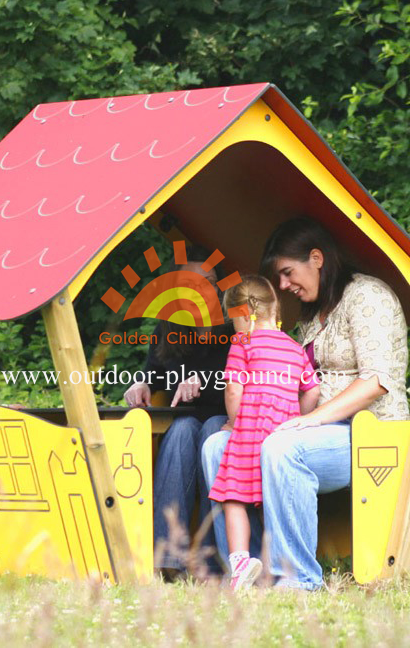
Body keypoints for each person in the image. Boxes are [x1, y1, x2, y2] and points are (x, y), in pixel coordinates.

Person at [202, 217, 409, 590]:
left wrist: (310, 419)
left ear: (316, 258)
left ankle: (296, 579)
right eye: (278, 279)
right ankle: (245, 572)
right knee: (218, 445)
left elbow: (377, 381)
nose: (282, 286)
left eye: (286, 272)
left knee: (282, 447)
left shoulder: (368, 297)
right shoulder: (312, 316)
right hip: (311, 429)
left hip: (367, 436)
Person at [123, 246, 232, 578]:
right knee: (183, 429)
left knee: (212, 429)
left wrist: (204, 380)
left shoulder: (234, 330)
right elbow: (152, 371)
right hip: (183, 421)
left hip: (225, 418)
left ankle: (212, 564)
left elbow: (244, 377)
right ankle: (168, 561)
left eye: (209, 281)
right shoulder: (168, 329)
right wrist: (139, 383)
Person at [207, 275, 319, 590]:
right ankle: (273, 568)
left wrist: (233, 421)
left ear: (244, 315)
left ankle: (241, 562)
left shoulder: (243, 342)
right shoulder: (295, 347)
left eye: (233, 320)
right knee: (272, 502)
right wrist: (298, 417)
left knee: (233, 498)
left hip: (248, 432)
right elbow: (312, 389)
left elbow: (233, 388)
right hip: (280, 433)